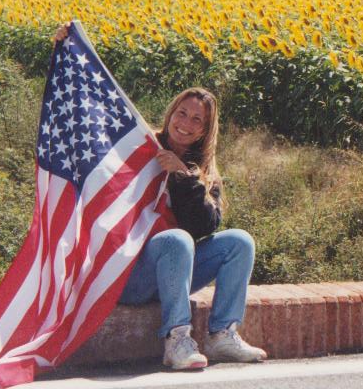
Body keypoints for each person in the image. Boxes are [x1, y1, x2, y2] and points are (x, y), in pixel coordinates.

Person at [53, 23, 266, 370]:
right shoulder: (140, 148)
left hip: (175, 271)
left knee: (239, 241)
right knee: (176, 240)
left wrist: (182, 176)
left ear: (205, 130)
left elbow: (205, 226)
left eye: (197, 119)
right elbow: (92, 124)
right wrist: (66, 50)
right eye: (182, 113)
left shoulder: (203, 172)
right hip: (130, 275)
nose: (186, 122)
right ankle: (177, 340)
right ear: (170, 114)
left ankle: (221, 334)